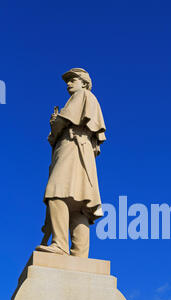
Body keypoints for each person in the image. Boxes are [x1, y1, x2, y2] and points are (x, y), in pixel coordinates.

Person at [36, 68, 106, 258]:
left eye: (72, 80)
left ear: (84, 82)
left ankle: (59, 245)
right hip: (79, 150)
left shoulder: (82, 95)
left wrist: (55, 123)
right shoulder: (87, 99)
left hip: (73, 146)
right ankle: (79, 255)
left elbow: (63, 122)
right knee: (80, 203)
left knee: (56, 193)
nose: (69, 84)